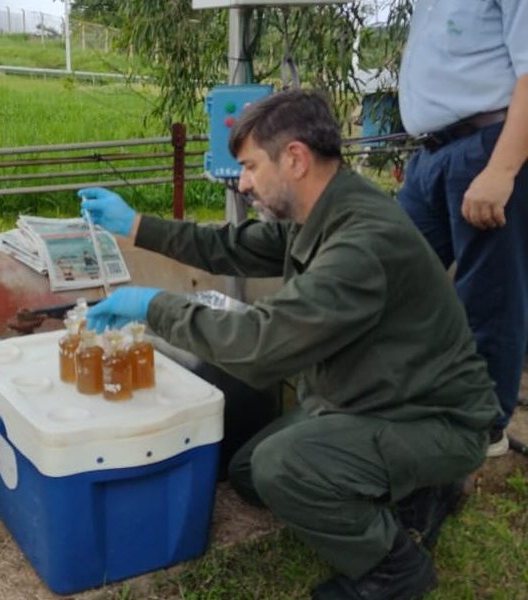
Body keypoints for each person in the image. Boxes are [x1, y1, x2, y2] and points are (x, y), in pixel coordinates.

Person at [78, 89, 499, 600]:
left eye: (251, 166)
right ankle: (414, 490)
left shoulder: (359, 244)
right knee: (250, 472)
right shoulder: (324, 211)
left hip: (432, 418)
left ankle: (392, 567)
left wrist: (153, 307)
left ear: (295, 158)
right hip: (374, 396)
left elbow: (259, 345)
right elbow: (229, 247)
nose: (244, 181)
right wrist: (136, 226)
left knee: (284, 467)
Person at [396, 0, 527, 458]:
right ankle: (410, 396)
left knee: (488, 294)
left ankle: (481, 426)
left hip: (487, 145)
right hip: (431, 154)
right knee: (387, 271)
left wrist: (502, 170)